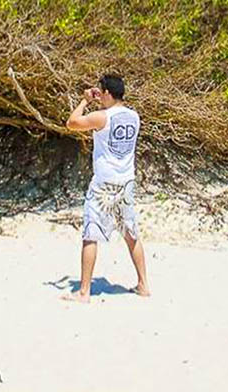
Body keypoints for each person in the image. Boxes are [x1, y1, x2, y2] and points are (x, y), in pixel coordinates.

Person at [61, 74, 150, 302]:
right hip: (126, 182)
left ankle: (84, 292)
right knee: (131, 234)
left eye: (101, 92)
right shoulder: (134, 116)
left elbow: (72, 123)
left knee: (91, 235)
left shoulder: (102, 117)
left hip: (104, 184)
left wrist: (84, 101)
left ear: (107, 93)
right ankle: (143, 284)